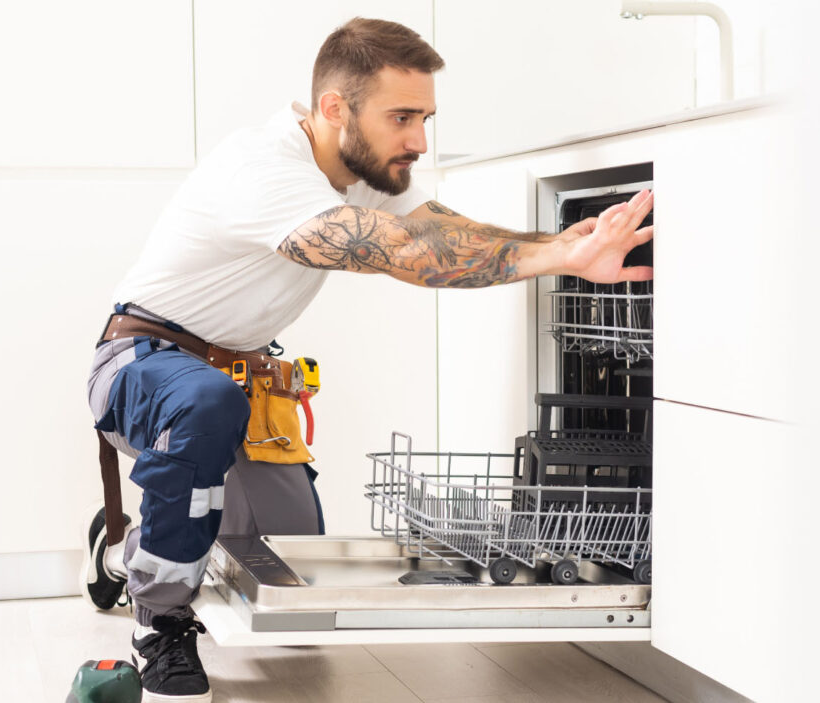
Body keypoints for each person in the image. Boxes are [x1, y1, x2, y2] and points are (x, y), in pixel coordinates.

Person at [83, 16, 653, 703]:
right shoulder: (262, 166)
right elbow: (405, 253)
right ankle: (160, 624)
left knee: (285, 566)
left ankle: (130, 545)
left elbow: (434, 229)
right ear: (334, 109)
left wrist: (561, 239)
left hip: (238, 384)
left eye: (426, 118)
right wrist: (562, 255)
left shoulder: (364, 170)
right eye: (402, 116)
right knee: (206, 412)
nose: (417, 139)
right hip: (141, 364)